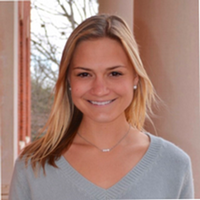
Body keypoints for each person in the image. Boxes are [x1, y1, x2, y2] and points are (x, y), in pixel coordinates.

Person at [9, 14, 194, 200]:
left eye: (114, 73)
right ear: (68, 81)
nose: (99, 89)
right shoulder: (32, 167)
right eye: (84, 74)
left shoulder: (174, 165)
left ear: (135, 78)